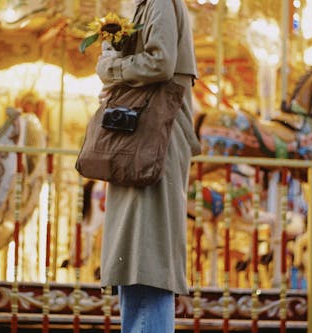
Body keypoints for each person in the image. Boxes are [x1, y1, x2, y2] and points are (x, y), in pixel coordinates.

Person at [94, 0, 201, 332]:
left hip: (154, 139)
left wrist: (112, 66)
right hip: (146, 140)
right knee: (137, 256)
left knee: (146, 257)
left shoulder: (160, 3)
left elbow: (161, 62)